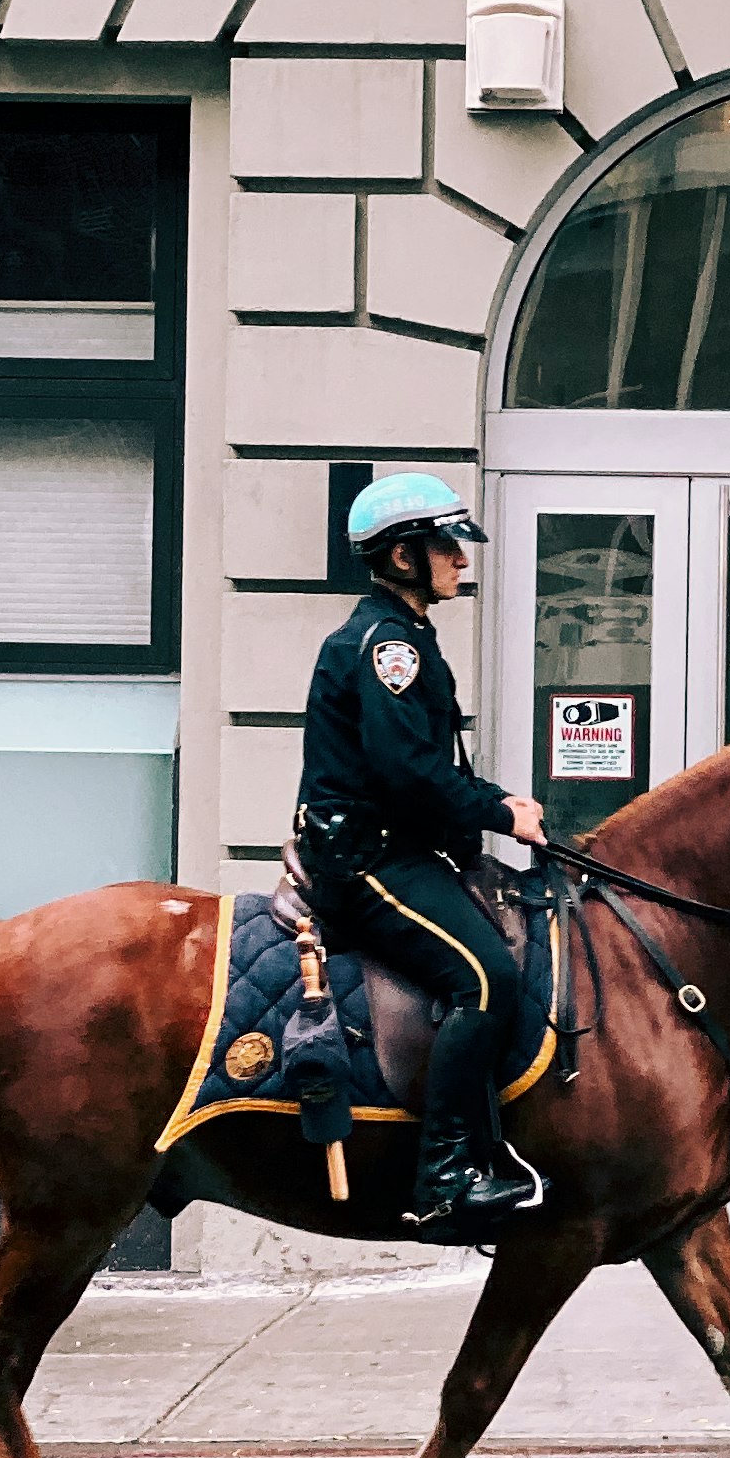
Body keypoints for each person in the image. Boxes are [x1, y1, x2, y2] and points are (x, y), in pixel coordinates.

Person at [294, 473, 547, 1233]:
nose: (460, 561)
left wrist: (497, 802)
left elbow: (430, 769)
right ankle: (446, 1174)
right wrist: (499, 809)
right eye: (446, 546)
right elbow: (407, 774)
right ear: (404, 557)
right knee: (486, 979)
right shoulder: (388, 648)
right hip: (368, 863)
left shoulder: (401, 636)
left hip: (396, 849)